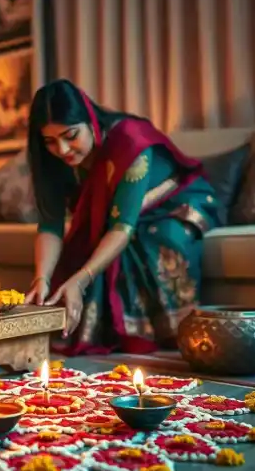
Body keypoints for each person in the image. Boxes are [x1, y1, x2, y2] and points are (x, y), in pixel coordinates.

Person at [24, 79, 220, 355]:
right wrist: (41, 279)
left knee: (149, 240)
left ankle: (171, 330)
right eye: (50, 142)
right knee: (81, 248)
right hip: (117, 215)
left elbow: (121, 227)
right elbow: (50, 224)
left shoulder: (130, 143)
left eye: (71, 136)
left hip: (171, 202)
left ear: (91, 120)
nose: (63, 150)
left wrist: (81, 280)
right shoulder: (52, 161)